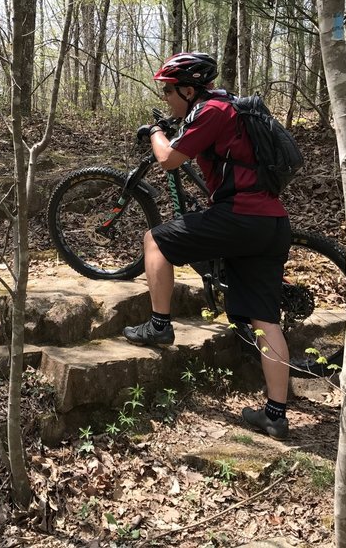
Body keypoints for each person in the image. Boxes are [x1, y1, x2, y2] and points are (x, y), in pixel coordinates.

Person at [122, 52, 292, 439]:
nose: (165, 96)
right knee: (266, 321)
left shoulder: (210, 111)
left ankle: (160, 325)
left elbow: (168, 159)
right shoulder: (229, 105)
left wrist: (153, 131)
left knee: (155, 240)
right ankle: (275, 416)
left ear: (187, 88)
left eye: (168, 90)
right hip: (271, 220)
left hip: (240, 217)